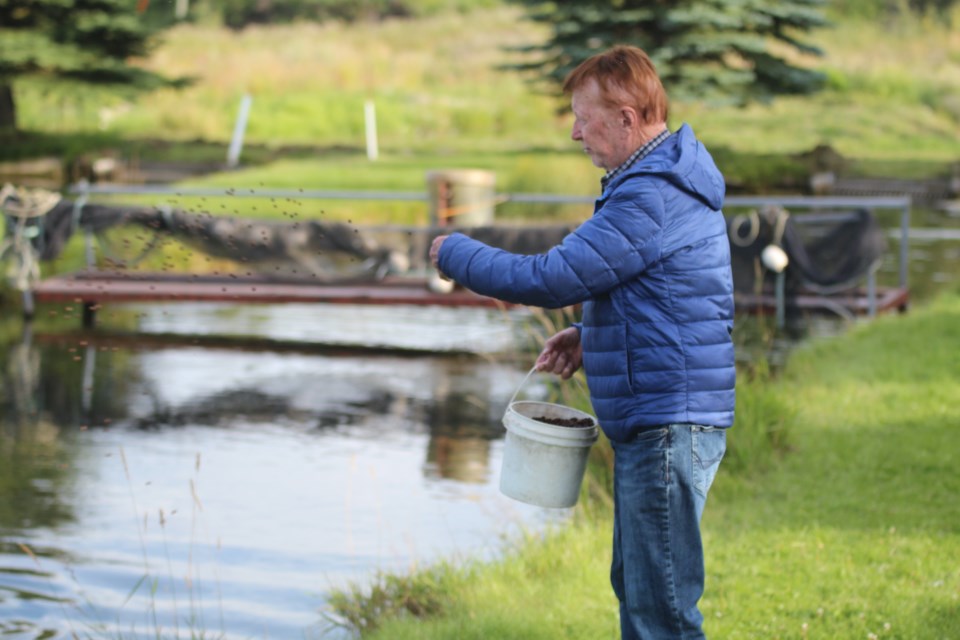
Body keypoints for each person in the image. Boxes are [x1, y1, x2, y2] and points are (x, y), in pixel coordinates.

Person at [429, 44, 735, 639]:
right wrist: (587, 332)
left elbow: (550, 278)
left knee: (662, 612)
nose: (574, 133)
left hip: (668, 422)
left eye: (582, 115)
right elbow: (664, 297)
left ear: (626, 117)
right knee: (642, 594)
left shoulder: (651, 194)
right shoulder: (657, 181)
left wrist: (454, 253)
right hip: (665, 417)